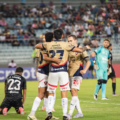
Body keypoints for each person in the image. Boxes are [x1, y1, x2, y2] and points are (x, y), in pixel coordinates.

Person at [35, 29, 91, 120]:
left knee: (51, 92)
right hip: (63, 72)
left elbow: (37, 46)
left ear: (54, 36)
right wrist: (86, 47)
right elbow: (79, 50)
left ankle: (49, 111)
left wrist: (47, 49)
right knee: (64, 92)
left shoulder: (49, 44)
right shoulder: (66, 44)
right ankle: (65, 114)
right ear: (62, 36)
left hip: (53, 71)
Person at [28, 32, 60, 120]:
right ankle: (31, 114)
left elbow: (37, 58)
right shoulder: (45, 47)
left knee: (46, 94)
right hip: (43, 72)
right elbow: (40, 59)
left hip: (44, 72)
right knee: (41, 94)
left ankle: (48, 114)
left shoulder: (43, 47)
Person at [67, 35, 91, 119]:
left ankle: (69, 114)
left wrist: (85, 70)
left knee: (74, 91)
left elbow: (88, 61)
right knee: (73, 94)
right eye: (68, 41)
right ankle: (80, 112)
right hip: (69, 74)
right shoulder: (69, 50)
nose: (69, 42)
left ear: (75, 41)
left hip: (78, 72)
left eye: (70, 41)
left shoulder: (81, 49)